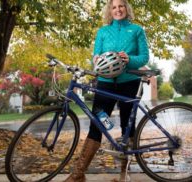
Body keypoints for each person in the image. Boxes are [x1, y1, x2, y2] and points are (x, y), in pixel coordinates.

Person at [64, 0, 149, 181]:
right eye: (114, 7)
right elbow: (95, 56)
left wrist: (130, 59)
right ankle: (78, 174)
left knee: (127, 127)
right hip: (105, 83)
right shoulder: (102, 32)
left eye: (121, 6)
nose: (118, 10)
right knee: (97, 124)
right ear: (110, 10)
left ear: (127, 8)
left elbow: (144, 57)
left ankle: (124, 175)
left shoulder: (136, 30)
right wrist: (95, 60)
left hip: (130, 83)